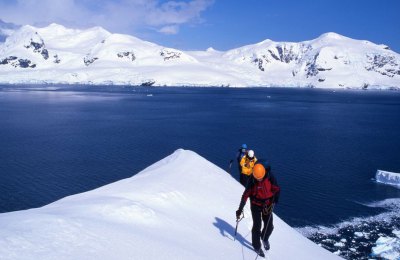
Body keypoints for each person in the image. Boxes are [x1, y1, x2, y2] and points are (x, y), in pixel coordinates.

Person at [236, 163, 280, 258]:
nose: (259, 179)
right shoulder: (252, 181)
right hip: (255, 205)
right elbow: (245, 195)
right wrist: (240, 209)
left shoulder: (270, 176)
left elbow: (276, 188)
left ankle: (264, 238)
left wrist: (275, 199)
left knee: (269, 226)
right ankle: (256, 246)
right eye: (257, 178)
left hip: (267, 205)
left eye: (260, 178)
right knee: (257, 226)